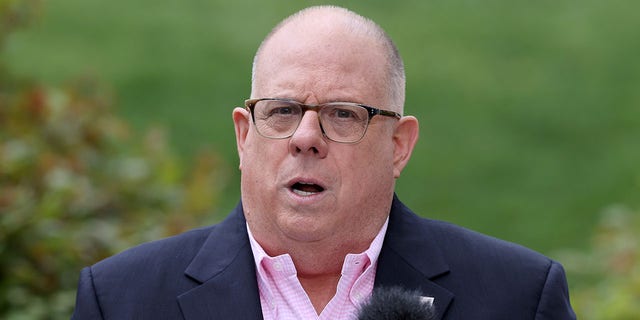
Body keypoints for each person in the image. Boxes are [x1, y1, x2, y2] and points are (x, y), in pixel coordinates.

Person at [71, 5, 576, 320]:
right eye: (283, 110)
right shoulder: (121, 299)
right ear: (244, 137)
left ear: (399, 145)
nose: (306, 138)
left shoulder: (518, 297)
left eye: (342, 114)